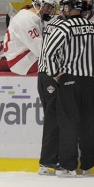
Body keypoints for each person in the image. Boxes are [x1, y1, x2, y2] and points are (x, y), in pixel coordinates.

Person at [44, 0, 94, 177]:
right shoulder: (92, 27)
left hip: (69, 80)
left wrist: (54, 74)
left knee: (68, 123)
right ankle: (88, 164)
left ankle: (68, 165)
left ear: (68, 8)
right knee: (87, 123)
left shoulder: (64, 27)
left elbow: (49, 53)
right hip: (88, 81)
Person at [37, 10, 64, 176]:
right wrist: (54, 72)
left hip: (44, 75)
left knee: (52, 118)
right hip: (49, 76)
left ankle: (49, 160)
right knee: (53, 119)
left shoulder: (51, 23)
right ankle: (48, 161)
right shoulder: (60, 25)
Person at [3, 0, 56, 75]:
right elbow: (39, 50)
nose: (49, 10)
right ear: (38, 3)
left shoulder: (34, 16)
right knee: (59, 64)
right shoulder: (26, 20)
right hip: (20, 61)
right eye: (47, 7)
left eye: (51, 8)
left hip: (25, 56)